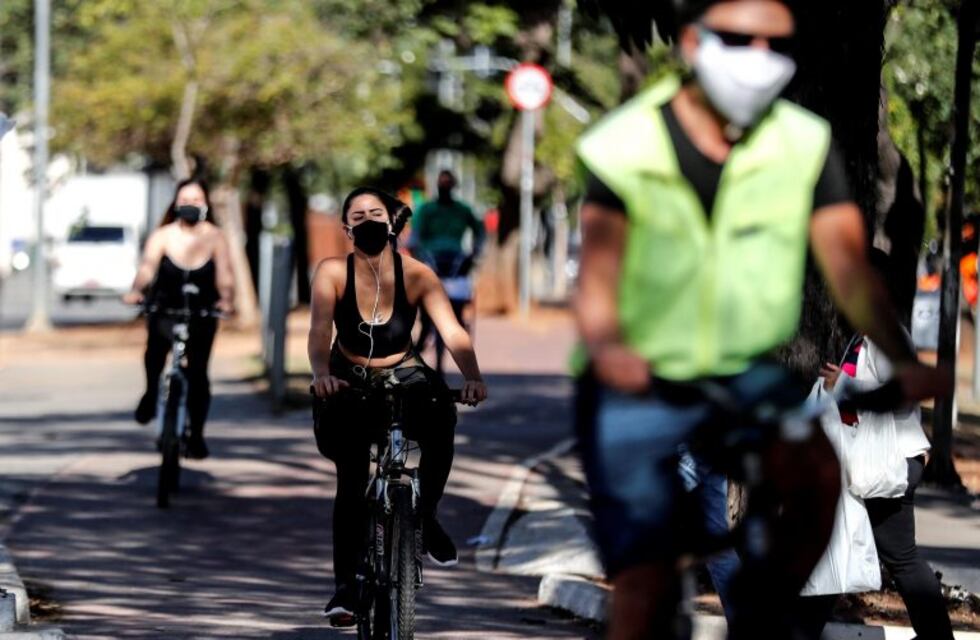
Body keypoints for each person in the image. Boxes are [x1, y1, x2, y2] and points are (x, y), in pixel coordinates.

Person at [572, 1, 948, 638]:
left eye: (775, 44)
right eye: (739, 40)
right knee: (646, 574)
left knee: (816, 486)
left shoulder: (802, 144)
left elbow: (849, 272)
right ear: (693, 44)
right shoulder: (630, 143)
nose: (758, 59)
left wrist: (903, 358)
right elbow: (601, 275)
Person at [308, 187, 488, 625]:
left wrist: (473, 377)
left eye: (376, 212)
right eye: (358, 214)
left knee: (441, 416)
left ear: (392, 222)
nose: (367, 219)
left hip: (403, 368)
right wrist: (321, 376)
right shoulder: (332, 271)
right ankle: (346, 587)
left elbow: (452, 330)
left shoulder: (418, 274)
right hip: (347, 374)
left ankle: (424, 516)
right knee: (351, 477)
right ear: (346, 226)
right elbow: (317, 331)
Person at [798, 250, 954, 640]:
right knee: (838, 542)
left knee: (900, 557)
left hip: (890, 462)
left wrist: (844, 386)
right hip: (872, 460)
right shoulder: (867, 334)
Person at [123, 178, 236, 460]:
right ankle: (150, 394)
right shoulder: (163, 235)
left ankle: (195, 435)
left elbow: (224, 274)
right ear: (175, 202)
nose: (190, 205)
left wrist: (226, 298)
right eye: (185, 200)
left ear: (206, 204)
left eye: (196, 200)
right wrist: (137, 290)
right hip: (166, 309)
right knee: (155, 352)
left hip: (201, 313)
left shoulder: (215, 237)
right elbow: (148, 267)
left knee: (198, 373)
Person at [412, 170, 485, 364]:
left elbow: (480, 231)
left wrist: (475, 252)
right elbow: (415, 236)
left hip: (456, 263)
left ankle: (459, 331)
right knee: (423, 304)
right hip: (431, 261)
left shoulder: (463, 209)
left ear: (454, 187)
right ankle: (424, 331)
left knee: (458, 307)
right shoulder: (426, 209)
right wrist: (417, 255)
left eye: (448, 184)